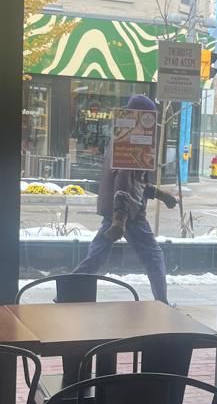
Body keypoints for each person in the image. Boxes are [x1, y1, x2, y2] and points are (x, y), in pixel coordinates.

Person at [72, 94, 177, 301]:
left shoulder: (122, 138)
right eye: (149, 116)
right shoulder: (134, 142)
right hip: (130, 212)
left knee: (96, 256)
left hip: (119, 209)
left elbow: (133, 181)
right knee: (154, 256)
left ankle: (67, 293)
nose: (153, 123)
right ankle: (162, 303)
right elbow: (123, 180)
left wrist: (160, 195)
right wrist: (120, 219)